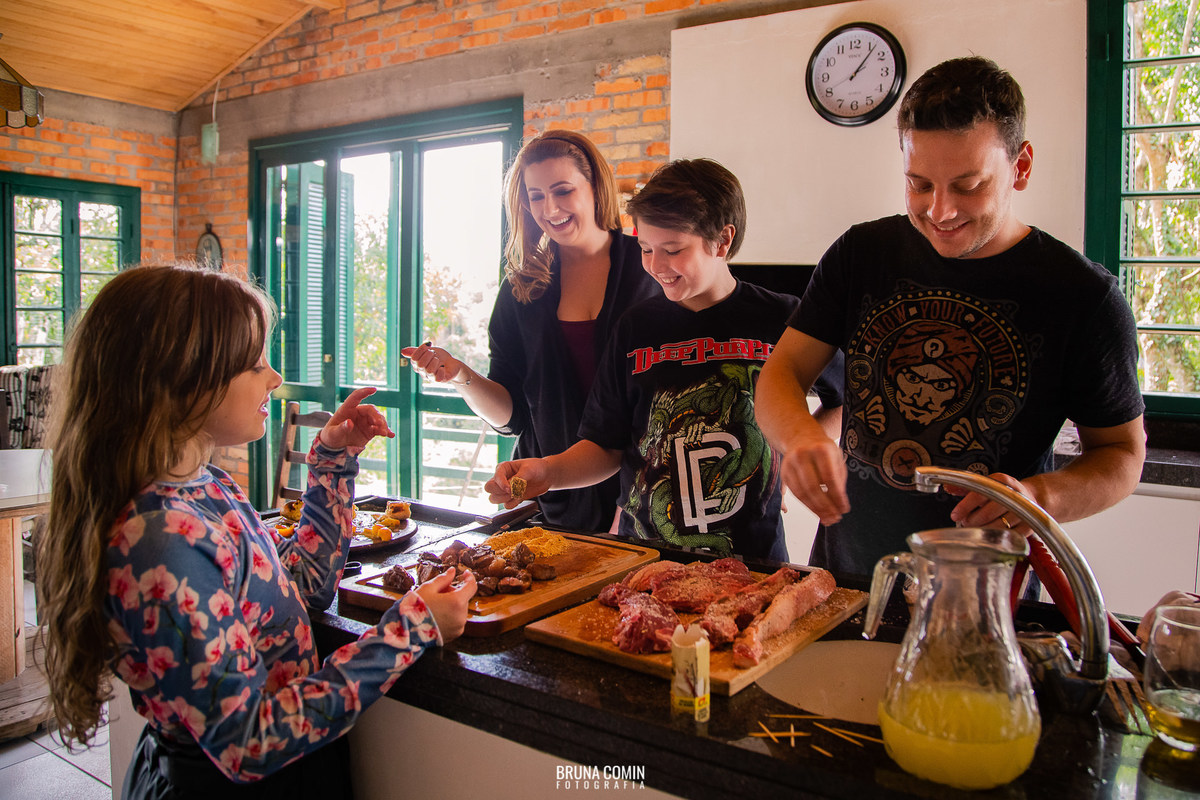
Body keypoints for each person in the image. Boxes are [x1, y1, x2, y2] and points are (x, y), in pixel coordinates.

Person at [38, 264, 476, 799]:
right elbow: (247, 741)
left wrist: (332, 460)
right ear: (178, 380)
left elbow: (303, 585)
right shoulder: (160, 541)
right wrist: (411, 629)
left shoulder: (207, 485)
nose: (273, 377)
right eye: (253, 363)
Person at [755, 56, 1146, 578]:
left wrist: (1039, 496)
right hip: (846, 580)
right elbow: (782, 373)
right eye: (919, 185)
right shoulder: (861, 254)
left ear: (1021, 167)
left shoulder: (1082, 296)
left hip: (987, 592)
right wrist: (800, 437)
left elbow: (1122, 454)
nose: (940, 211)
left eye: (968, 185)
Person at [483, 159, 843, 561]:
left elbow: (847, 400)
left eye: (673, 250)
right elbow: (605, 445)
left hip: (754, 559)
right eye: (646, 249)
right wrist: (548, 472)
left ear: (722, 241)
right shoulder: (634, 327)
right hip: (646, 558)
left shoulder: (782, 318)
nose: (655, 265)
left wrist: (797, 447)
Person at [401, 130, 657, 533]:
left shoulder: (651, 269)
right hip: (552, 500)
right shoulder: (522, 287)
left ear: (595, 187)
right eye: (536, 196)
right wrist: (461, 376)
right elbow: (514, 416)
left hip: (645, 498)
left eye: (563, 191)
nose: (549, 208)